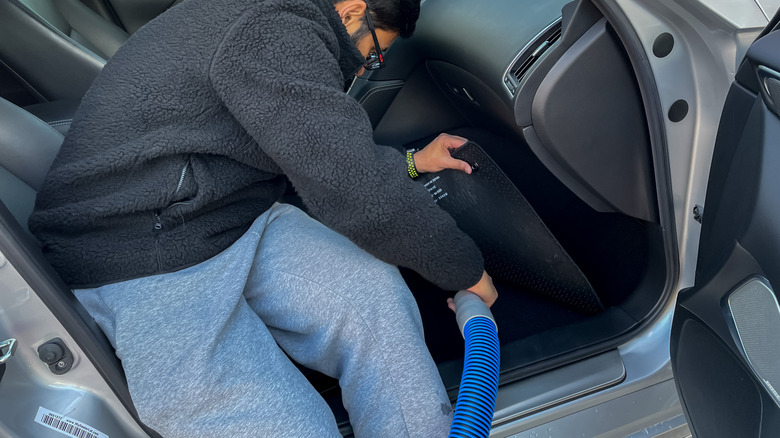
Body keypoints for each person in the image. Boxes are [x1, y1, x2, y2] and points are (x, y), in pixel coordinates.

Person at [29, 0, 497, 436]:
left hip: (226, 212)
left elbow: (316, 159)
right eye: (373, 54)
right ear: (354, 9)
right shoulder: (273, 30)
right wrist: (465, 271)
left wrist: (411, 164)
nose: (362, 67)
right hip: (140, 245)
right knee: (288, 425)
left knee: (372, 297)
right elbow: (348, 184)